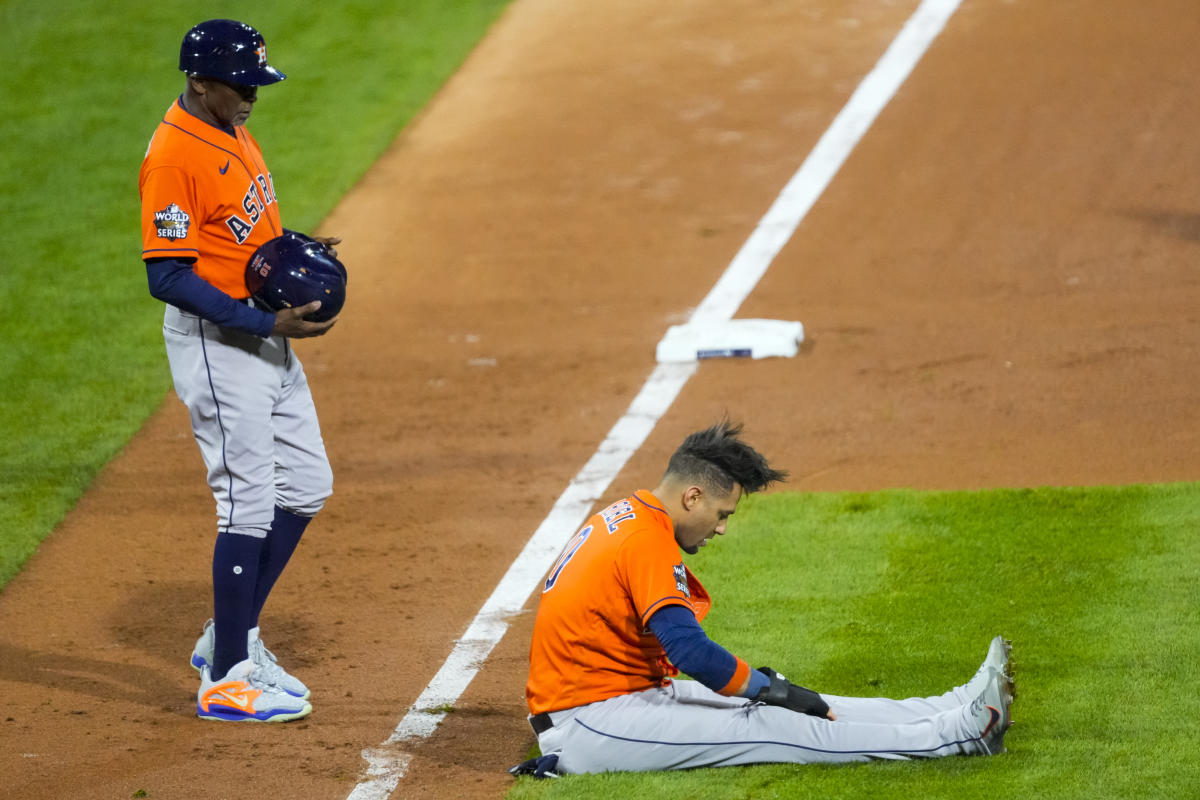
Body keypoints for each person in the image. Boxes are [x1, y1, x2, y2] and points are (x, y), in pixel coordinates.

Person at [516, 421, 1014, 775]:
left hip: (625, 697)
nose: (723, 528)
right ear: (693, 496)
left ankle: (949, 708)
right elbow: (689, 651)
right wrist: (771, 690)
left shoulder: (628, 515)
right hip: (593, 721)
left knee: (799, 706)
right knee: (779, 724)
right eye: (722, 512)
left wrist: (769, 688)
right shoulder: (644, 539)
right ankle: (957, 736)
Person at [139, 19, 340, 722]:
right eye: (240, 83)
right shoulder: (173, 155)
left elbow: (236, 229)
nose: (253, 94)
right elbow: (166, 273)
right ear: (200, 81)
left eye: (257, 81)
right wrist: (261, 322)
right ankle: (227, 677)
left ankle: (230, 637)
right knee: (247, 500)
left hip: (262, 333)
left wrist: (291, 252)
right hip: (220, 344)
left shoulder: (229, 124)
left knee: (308, 484)